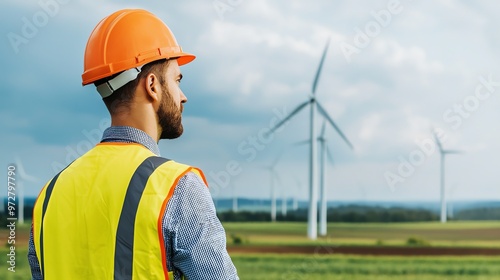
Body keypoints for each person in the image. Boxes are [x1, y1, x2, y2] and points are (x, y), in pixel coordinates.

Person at [28, 9, 239, 280]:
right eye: (177, 80)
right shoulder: (178, 188)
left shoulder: (50, 194)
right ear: (152, 85)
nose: (183, 97)